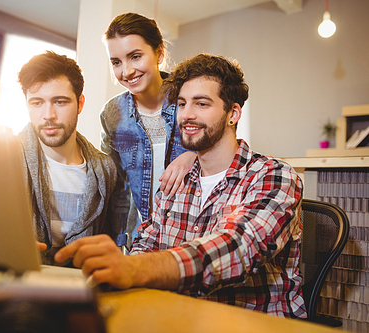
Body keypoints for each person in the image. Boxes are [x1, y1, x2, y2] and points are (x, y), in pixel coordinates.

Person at [55, 53, 307, 318]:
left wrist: (136, 269)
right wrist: (118, 268)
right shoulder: (176, 181)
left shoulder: (274, 176)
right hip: (180, 319)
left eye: (201, 104)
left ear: (233, 113)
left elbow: (238, 248)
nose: (187, 115)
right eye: (182, 104)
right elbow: (146, 244)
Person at [17, 51, 125, 266]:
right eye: (37, 103)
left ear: (80, 103)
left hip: (82, 286)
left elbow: (110, 242)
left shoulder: (105, 170)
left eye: (60, 102)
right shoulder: (4, 158)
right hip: (19, 283)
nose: (48, 115)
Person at [100, 13, 197, 243]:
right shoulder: (112, 113)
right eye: (116, 62)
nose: (127, 71)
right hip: (142, 239)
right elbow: (117, 189)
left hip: (193, 237)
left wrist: (195, 155)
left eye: (135, 56)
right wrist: (118, 244)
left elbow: (223, 150)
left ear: (159, 53)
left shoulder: (190, 96)